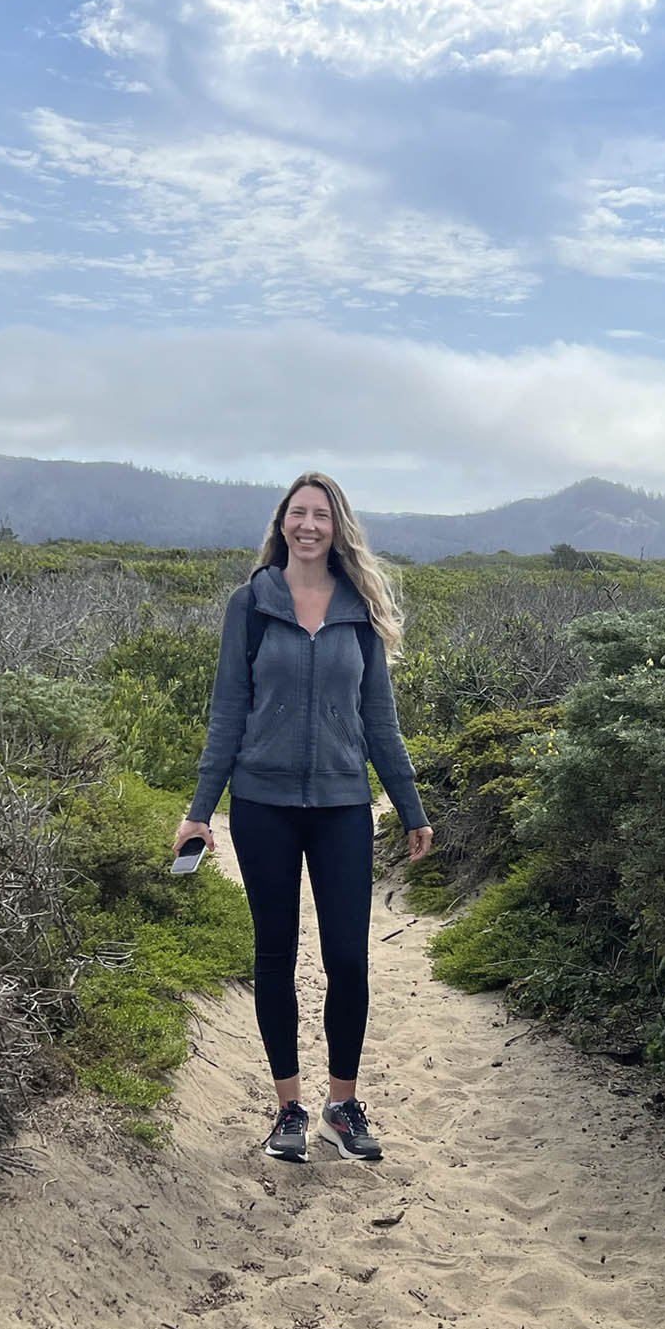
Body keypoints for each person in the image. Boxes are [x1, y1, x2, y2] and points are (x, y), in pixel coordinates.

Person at [173, 472, 432, 1163]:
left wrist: (409, 806)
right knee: (275, 956)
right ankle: (288, 1109)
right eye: (298, 513)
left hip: (343, 806)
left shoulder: (359, 610)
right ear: (282, 523)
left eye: (320, 514)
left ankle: (340, 1108)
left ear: (337, 526)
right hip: (261, 806)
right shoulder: (251, 605)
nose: (308, 524)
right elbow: (227, 712)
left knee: (348, 960)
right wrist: (200, 812)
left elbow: (379, 720)